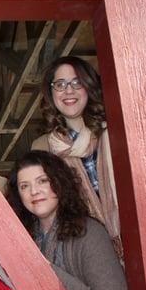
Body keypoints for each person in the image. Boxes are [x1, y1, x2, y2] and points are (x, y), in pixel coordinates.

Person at [7, 150, 130, 290]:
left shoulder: (89, 233)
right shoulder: (24, 238)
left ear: (59, 182)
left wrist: (47, 271)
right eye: (24, 186)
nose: (34, 191)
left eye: (43, 181)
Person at [31, 56, 121, 259]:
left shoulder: (115, 132)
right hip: (86, 252)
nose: (68, 90)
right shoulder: (41, 148)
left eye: (76, 82)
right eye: (60, 84)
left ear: (89, 86)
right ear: (51, 93)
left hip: (136, 239)